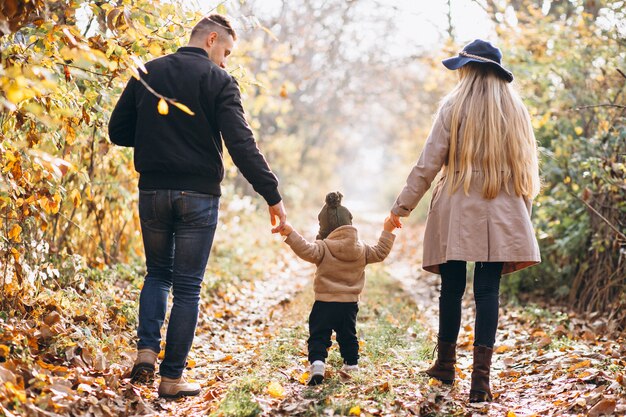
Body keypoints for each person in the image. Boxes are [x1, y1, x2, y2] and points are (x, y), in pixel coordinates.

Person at [108, 14, 286, 399]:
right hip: (200, 197)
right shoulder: (219, 81)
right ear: (210, 39)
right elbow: (241, 144)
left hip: (153, 190)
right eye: (225, 51)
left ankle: (146, 352)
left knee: (157, 274)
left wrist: (157, 140)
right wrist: (272, 195)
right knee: (188, 287)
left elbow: (117, 130)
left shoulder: (148, 71)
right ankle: (171, 380)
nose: (224, 61)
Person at [388, 39, 541, 403]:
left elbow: (428, 165)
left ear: (468, 70)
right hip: (503, 208)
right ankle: (481, 383)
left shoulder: (453, 106)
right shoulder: (516, 110)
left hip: (456, 207)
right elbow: (527, 169)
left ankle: (445, 366)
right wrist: (523, 217)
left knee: (452, 289)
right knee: (488, 291)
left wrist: (400, 208)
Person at [279, 192, 396, 385]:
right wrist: (388, 230)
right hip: (349, 304)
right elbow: (381, 252)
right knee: (348, 334)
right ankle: (351, 364)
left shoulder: (323, 247)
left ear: (324, 228)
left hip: (324, 303)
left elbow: (305, 249)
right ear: (350, 224)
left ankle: (317, 364)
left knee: (318, 335)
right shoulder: (363, 249)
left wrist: (290, 233)